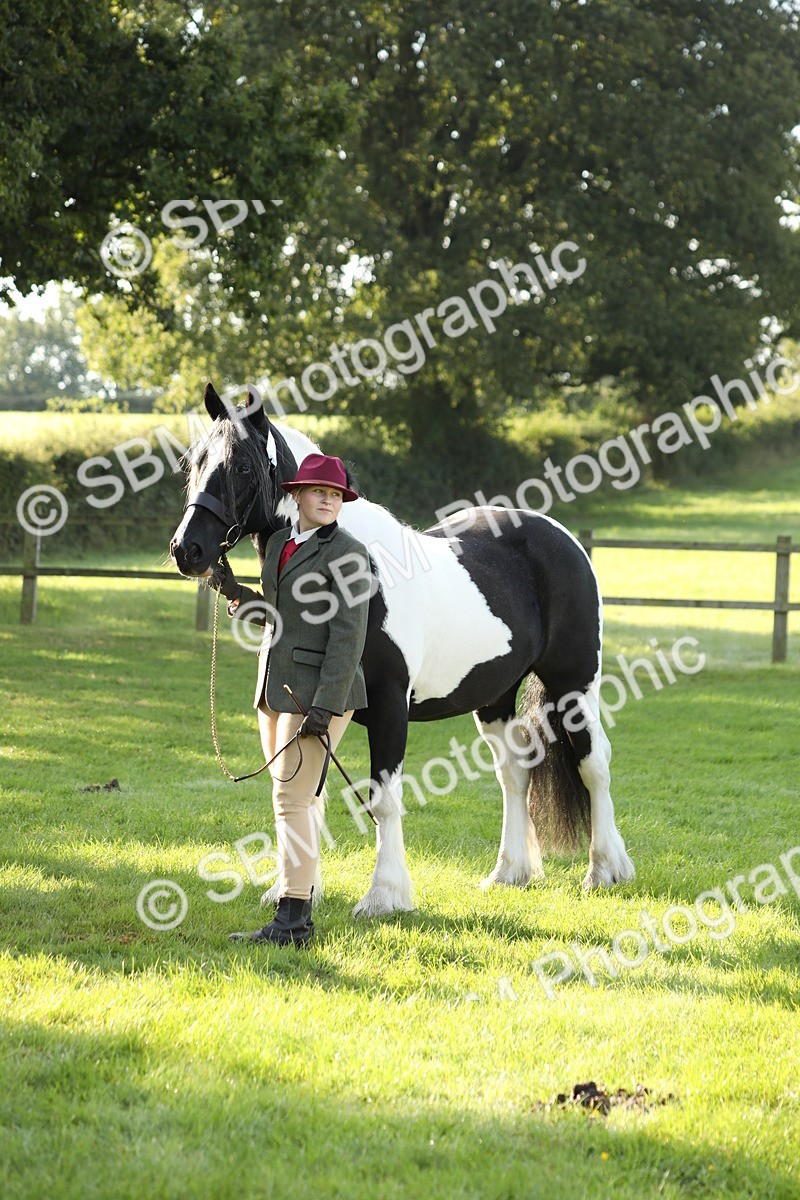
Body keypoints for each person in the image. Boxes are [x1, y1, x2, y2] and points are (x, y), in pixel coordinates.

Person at [214, 453, 371, 946]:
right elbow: (279, 615)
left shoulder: (349, 553)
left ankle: (294, 921)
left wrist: (325, 706)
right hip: (274, 686)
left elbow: (349, 636)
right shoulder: (281, 543)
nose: (328, 500)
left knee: (292, 798)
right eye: (319, 491)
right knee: (286, 799)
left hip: (318, 695)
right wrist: (235, 591)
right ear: (297, 495)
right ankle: (293, 907)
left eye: (336, 494)